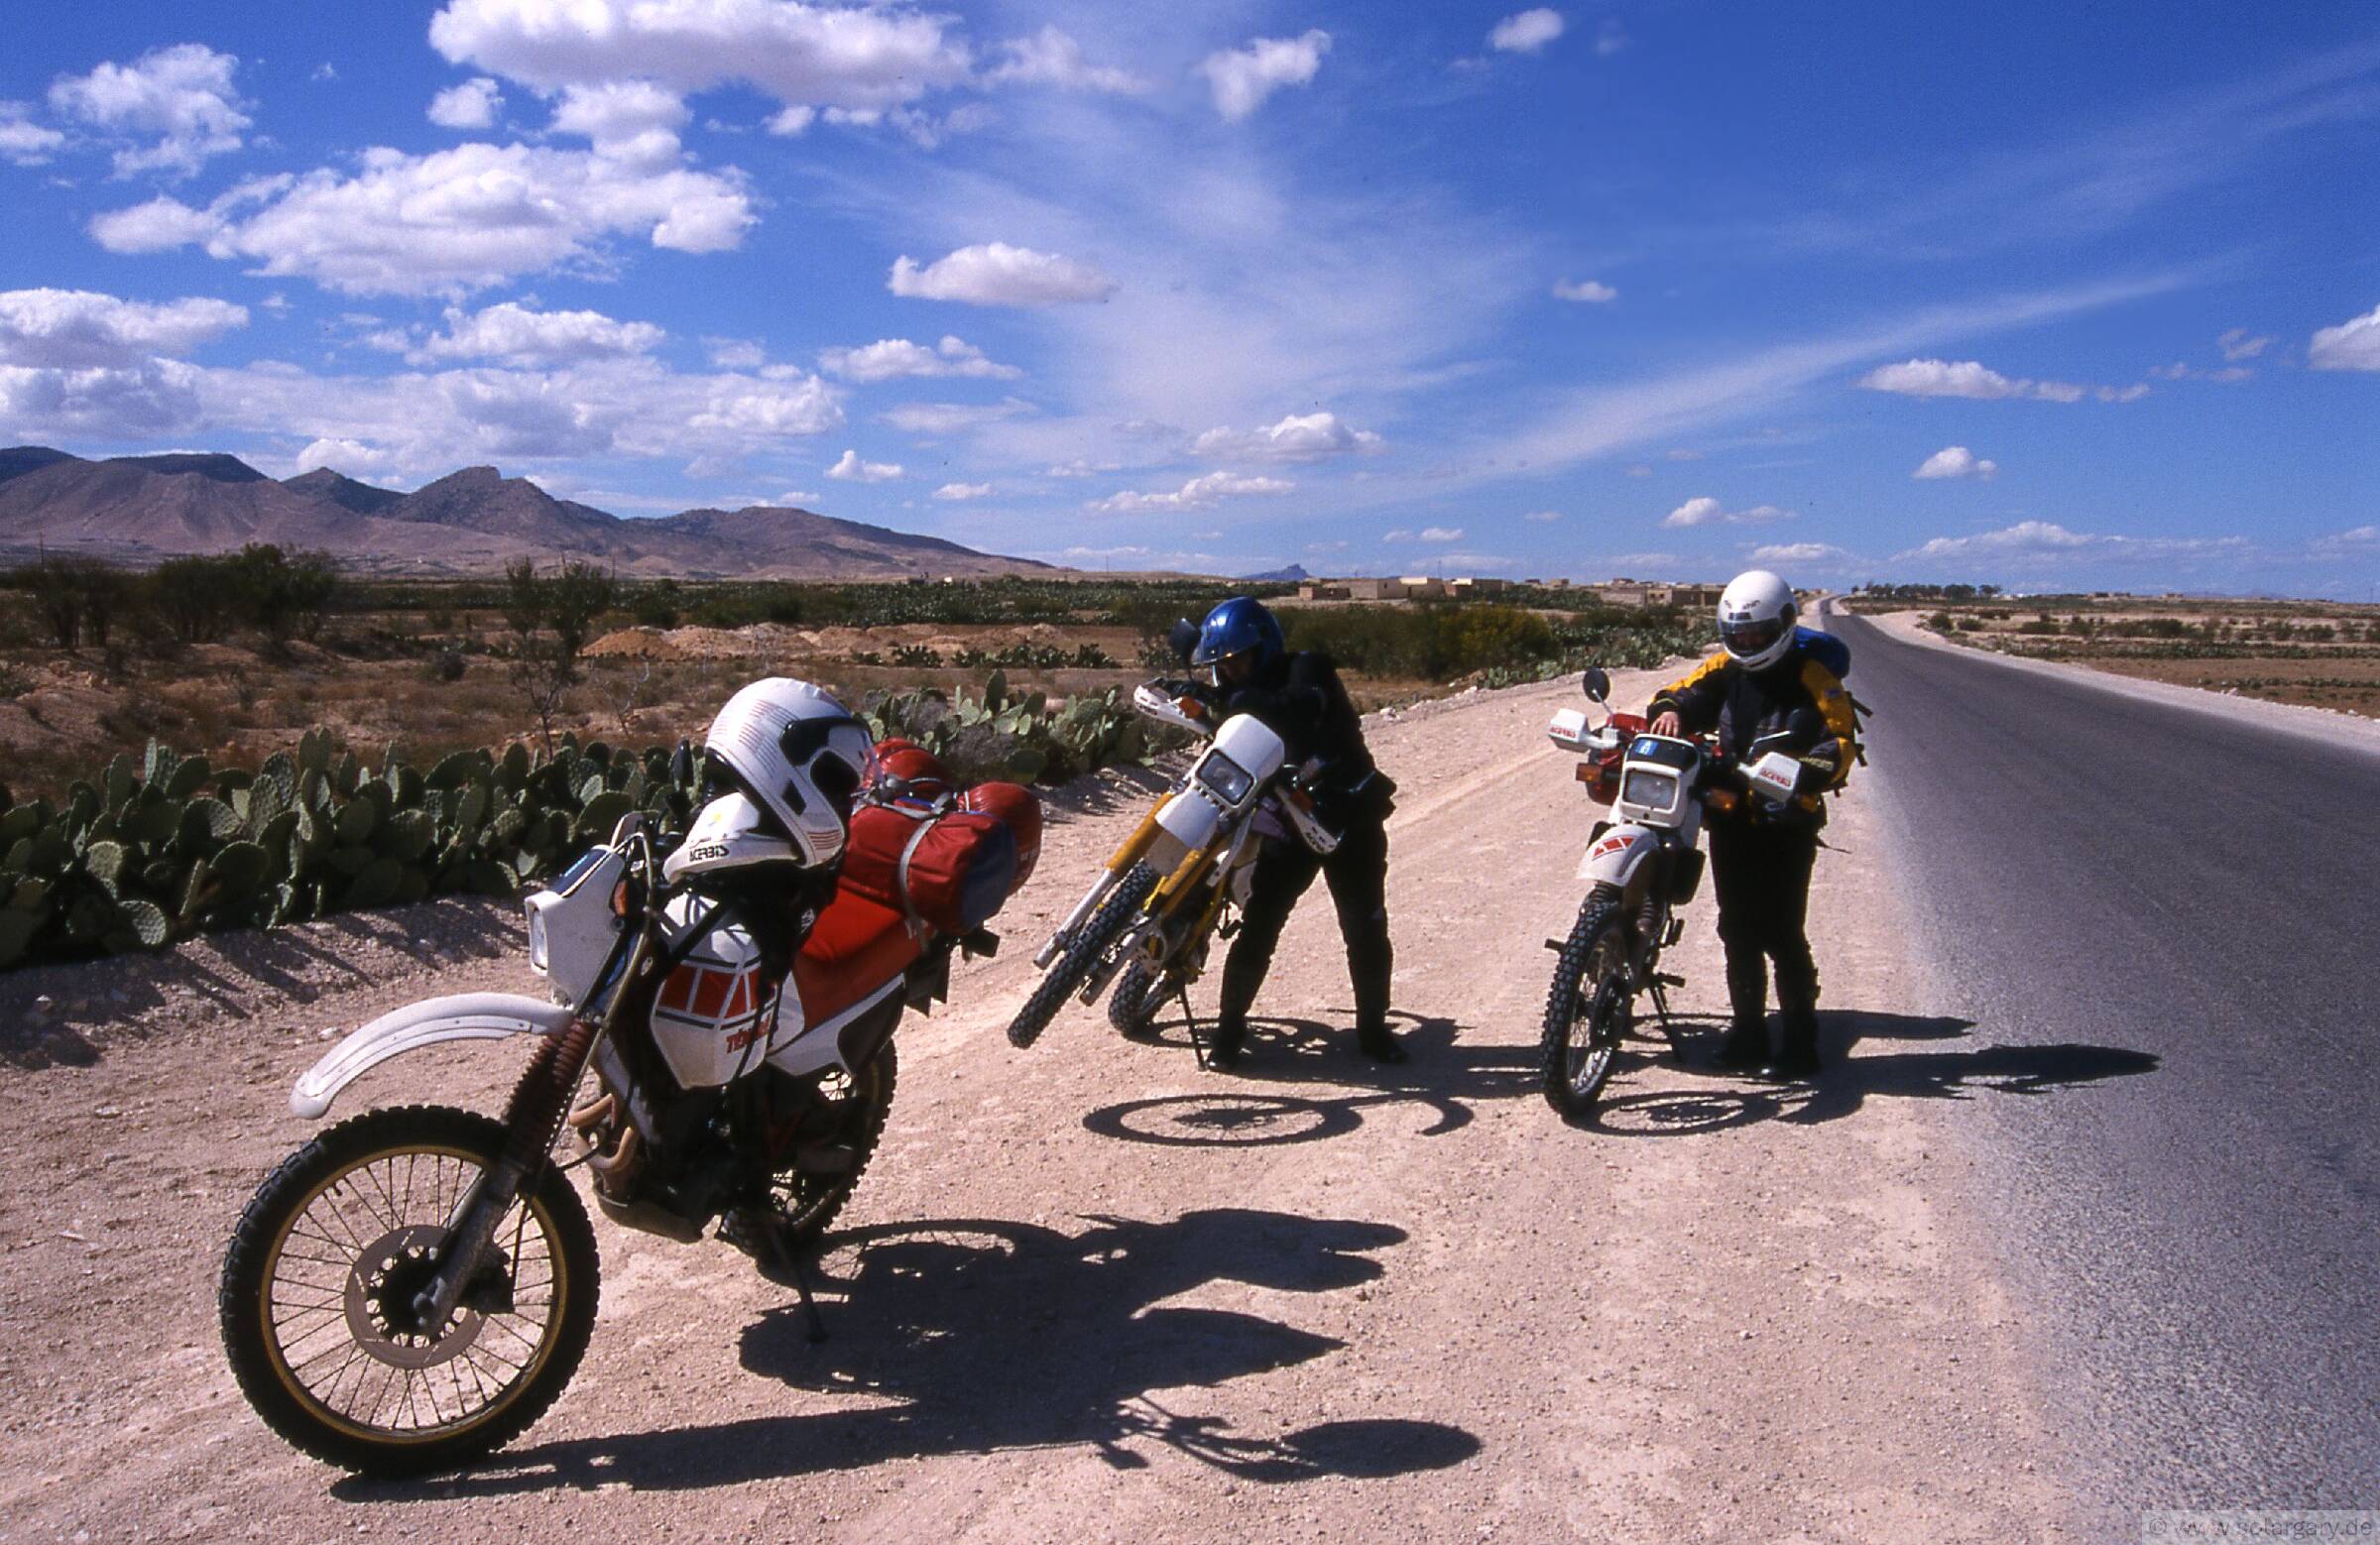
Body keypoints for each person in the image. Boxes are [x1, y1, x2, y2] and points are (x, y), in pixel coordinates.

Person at [1171, 597, 1402, 1070]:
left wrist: (1226, 700)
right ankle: (1230, 1032)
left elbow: (1295, 710)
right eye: (1223, 666)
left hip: (1348, 819)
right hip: (1290, 824)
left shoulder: (1307, 669)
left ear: (1264, 646)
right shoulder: (1238, 697)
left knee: (1364, 927)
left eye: (1238, 661)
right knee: (1260, 924)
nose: (1232, 673)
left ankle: (1374, 1032)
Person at [1644, 571, 1856, 1079]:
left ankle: (1801, 1042)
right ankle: (1747, 1036)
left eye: (1757, 634)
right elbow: (1679, 692)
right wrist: (1670, 711)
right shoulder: (1724, 668)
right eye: (1738, 635)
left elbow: (1842, 743)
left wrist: (1805, 771)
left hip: (1789, 822)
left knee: (1783, 931)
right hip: (1732, 817)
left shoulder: (1814, 677)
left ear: (1782, 625)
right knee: (1736, 928)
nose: (1747, 643)